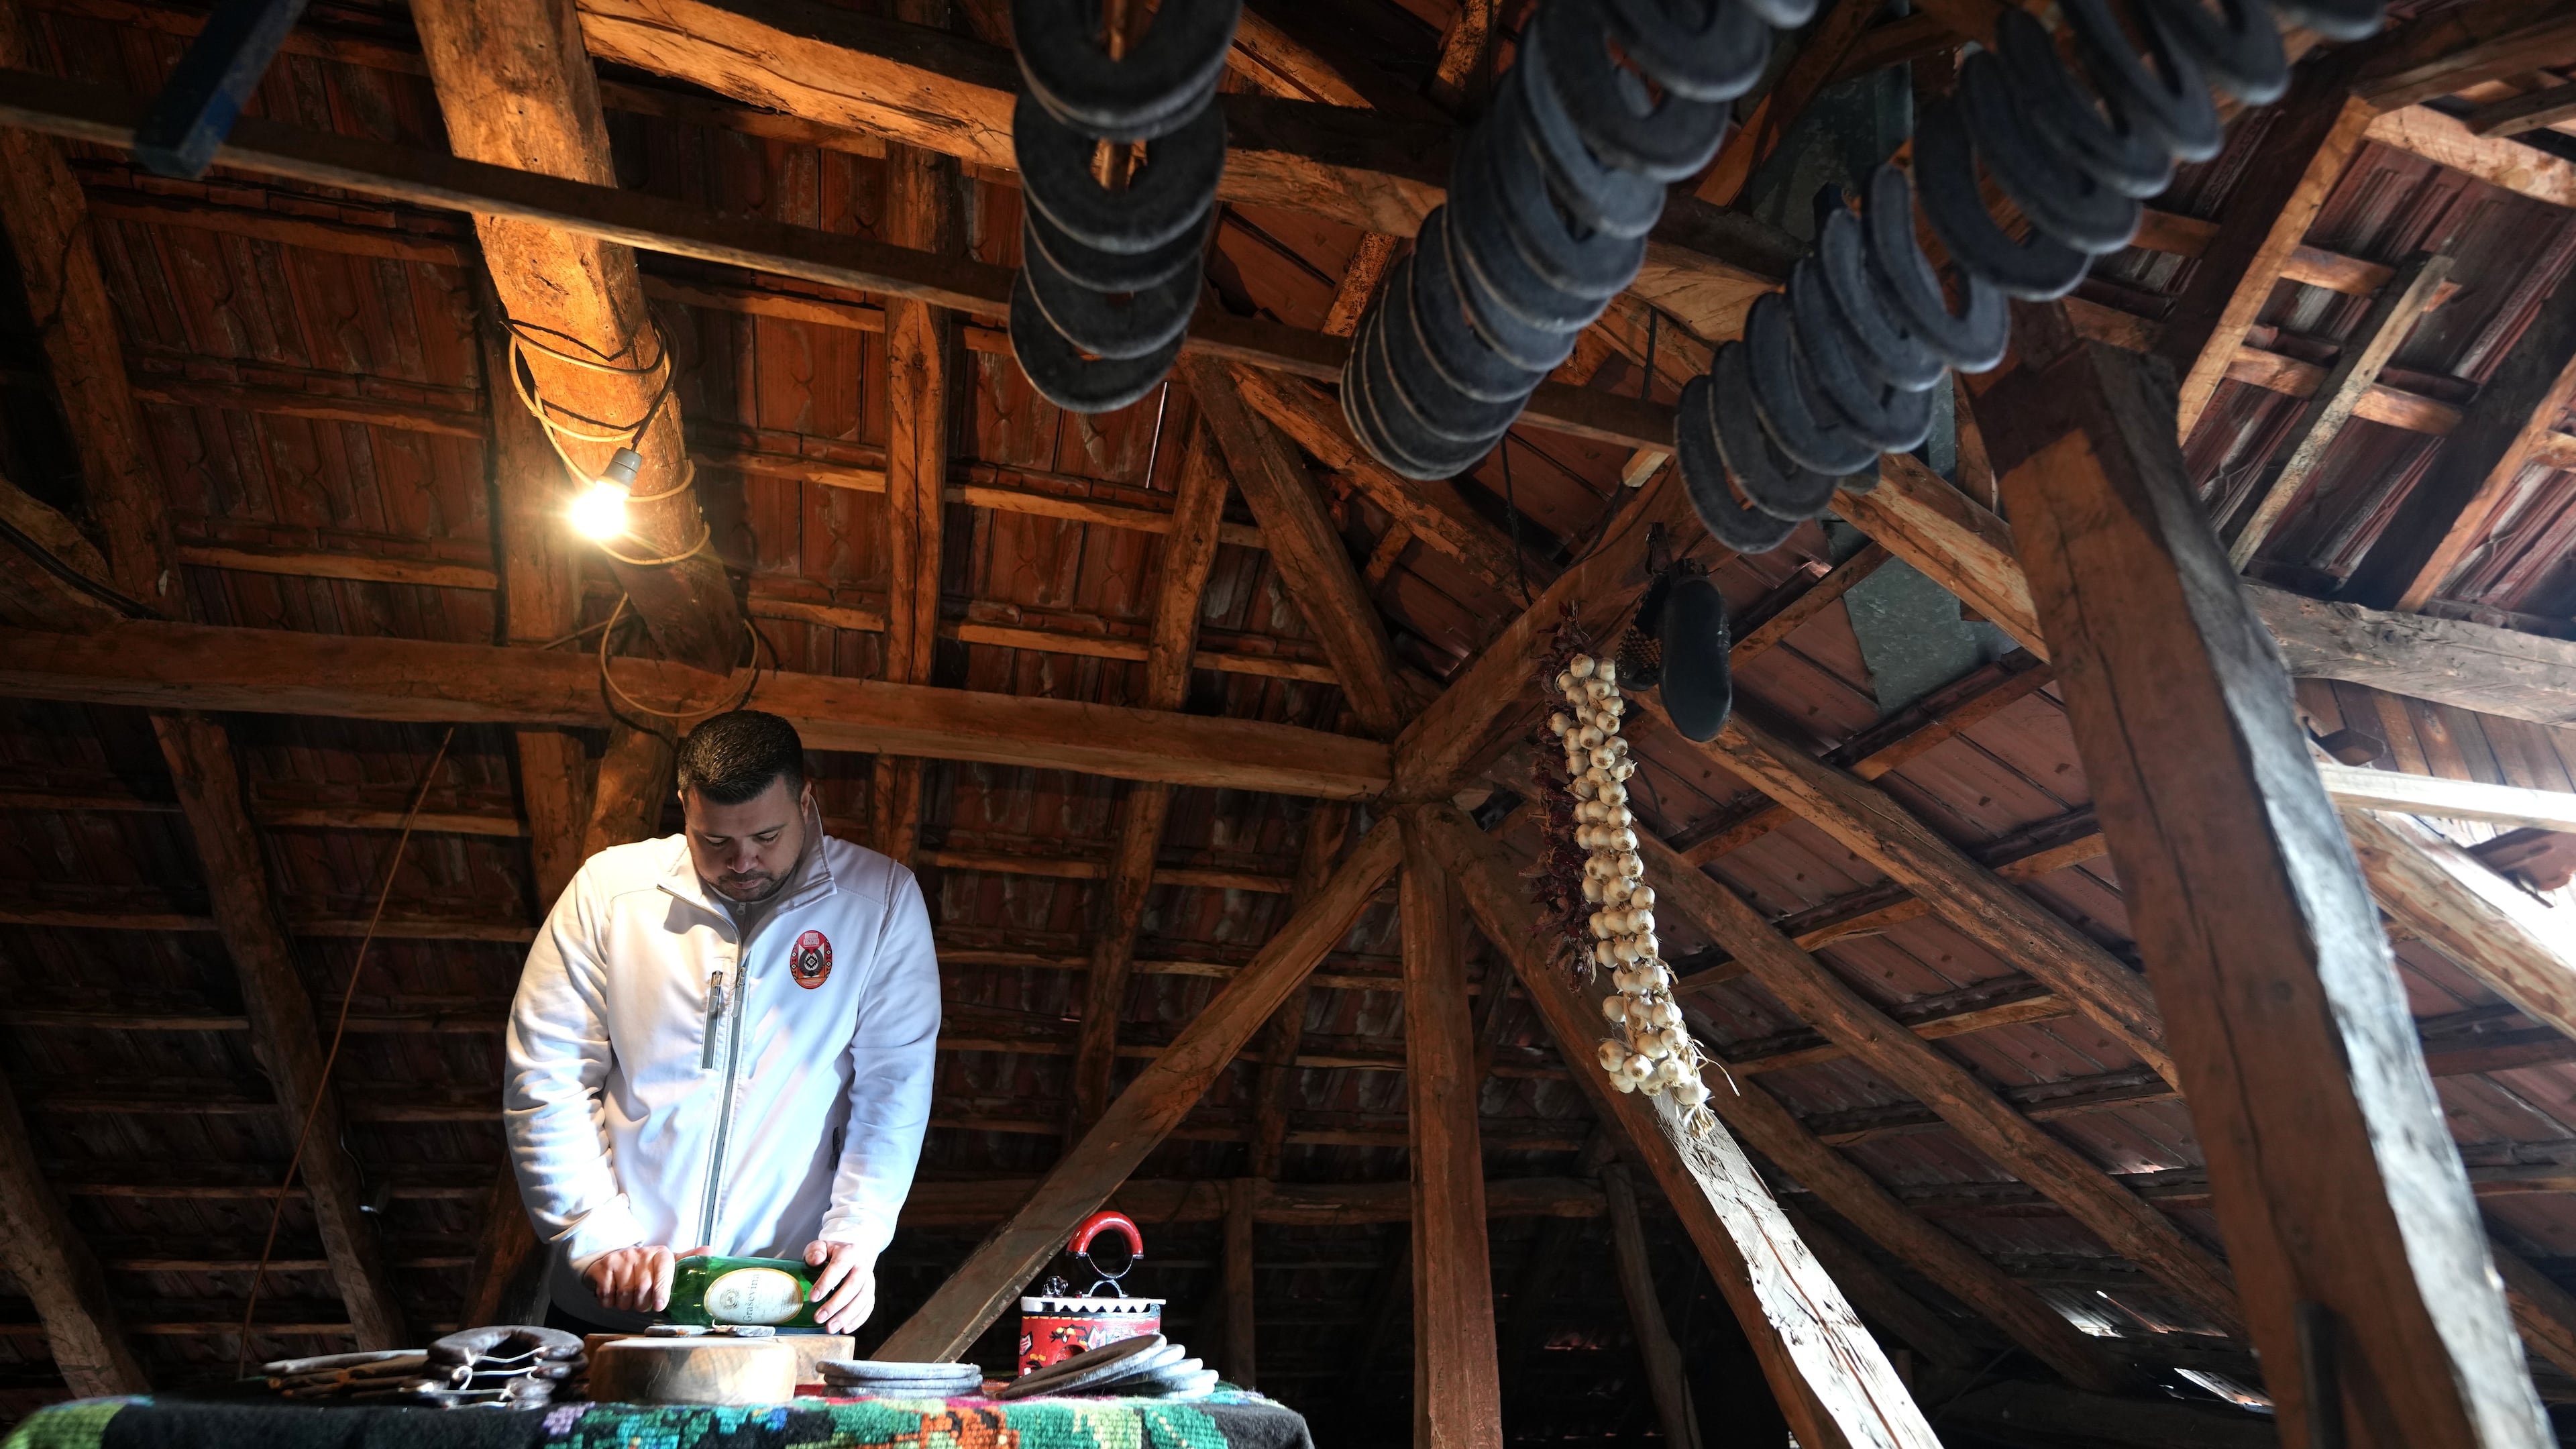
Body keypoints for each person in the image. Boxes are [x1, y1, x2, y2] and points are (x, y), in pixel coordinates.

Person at [505, 710, 940, 1334]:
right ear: (684, 805)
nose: (742, 860)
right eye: (715, 841)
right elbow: (546, 1074)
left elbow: (894, 1090)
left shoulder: (881, 903)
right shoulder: (609, 893)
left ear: (806, 799)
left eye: (766, 836)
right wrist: (595, 1235)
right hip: (622, 1296)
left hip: (784, 1301)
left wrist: (860, 1235)